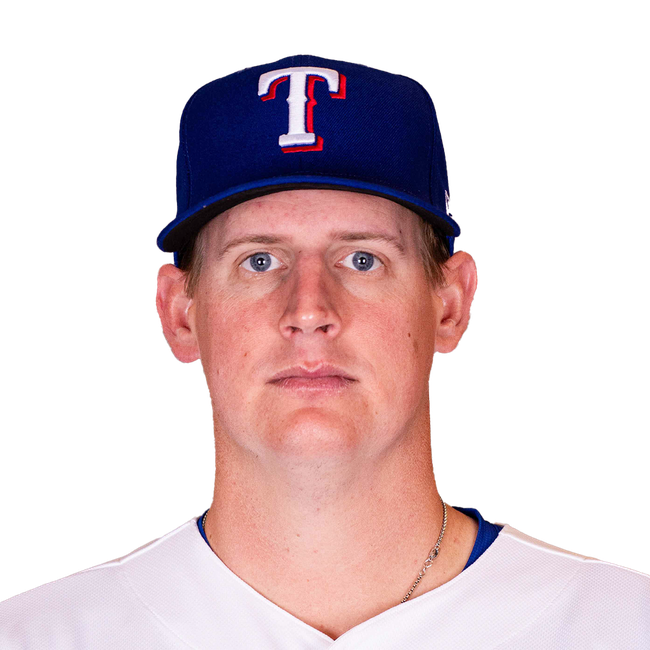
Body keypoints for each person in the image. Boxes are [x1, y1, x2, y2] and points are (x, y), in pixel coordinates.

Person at [1, 53, 648, 648]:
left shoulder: (622, 625)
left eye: (362, 258)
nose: (309, 311)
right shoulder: (40, 637)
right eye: (259, 260)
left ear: (450, 303)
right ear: (180, 313)